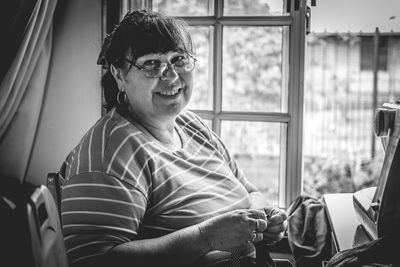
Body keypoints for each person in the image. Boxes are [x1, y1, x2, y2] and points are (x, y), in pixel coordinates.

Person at [59, 9, 288, 267]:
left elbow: (250, 191)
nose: (171, 76)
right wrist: (206, 238)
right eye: (151, 64)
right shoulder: (110, 152)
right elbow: (95, 260)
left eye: (179, 59)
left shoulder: (191, 125)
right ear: (119, 74)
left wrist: (264, 218)